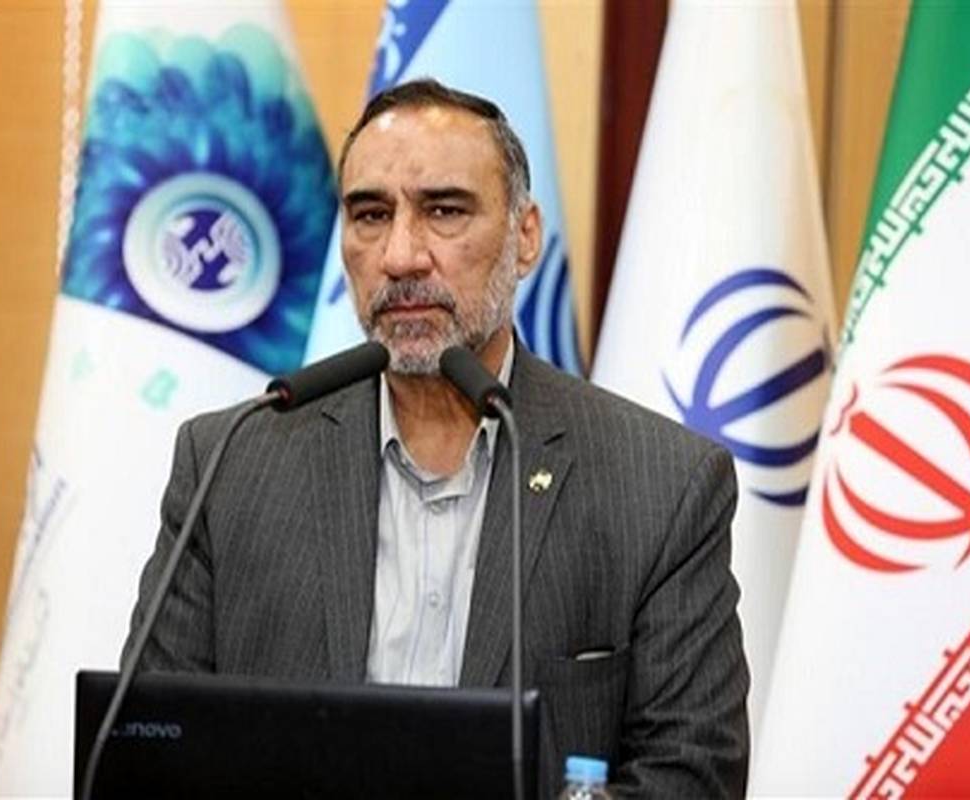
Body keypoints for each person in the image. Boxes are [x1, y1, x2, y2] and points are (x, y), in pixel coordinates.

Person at [124, 78, 749, 798]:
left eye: (444, 211)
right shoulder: (231, 461)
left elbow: (692, 776)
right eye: (370, 215)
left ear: (524, 237)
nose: (400, 255)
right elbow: (148, 750)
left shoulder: (661, 485)